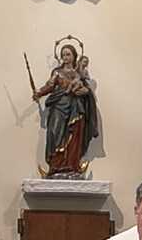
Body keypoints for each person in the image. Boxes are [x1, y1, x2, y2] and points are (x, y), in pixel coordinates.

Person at [32, 42, 100, 177]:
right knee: (54, 133)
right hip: (59, 107)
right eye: (63, 55)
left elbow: (86, 90)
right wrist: (39, 93)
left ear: (74, 56)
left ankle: (72, 167)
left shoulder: (79, 73)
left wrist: (85, 92)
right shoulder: (57, 72)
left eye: (68, 54)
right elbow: (50, 86)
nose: (65, 57)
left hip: (76, 108)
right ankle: (55, 167)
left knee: (74, 136)